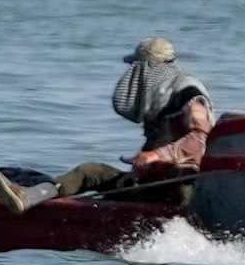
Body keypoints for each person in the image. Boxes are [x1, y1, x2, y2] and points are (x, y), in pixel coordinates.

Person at [46, 37, 217, 201]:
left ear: (146, 68)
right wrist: (137, 172)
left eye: (135, 67)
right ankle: (37, 196)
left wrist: (156, 155)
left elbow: (202, 136)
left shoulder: (189, 96)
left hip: (181, 184)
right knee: (90, 172)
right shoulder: (160, 102)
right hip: (151, 182)